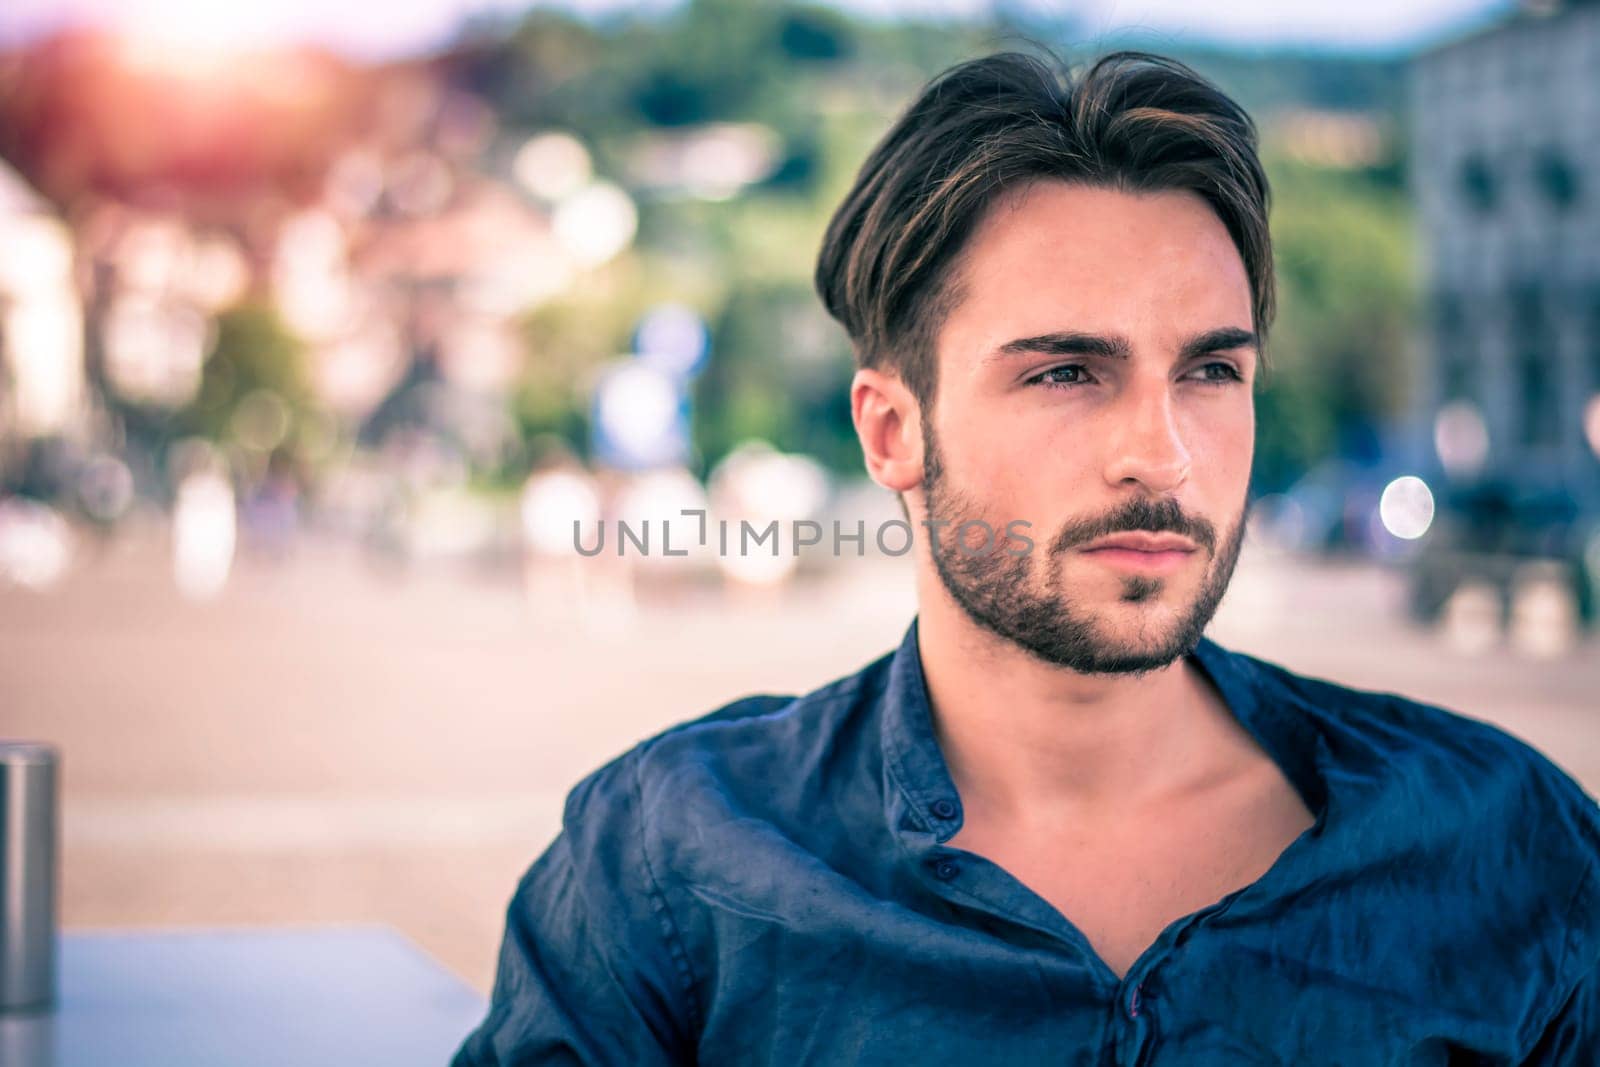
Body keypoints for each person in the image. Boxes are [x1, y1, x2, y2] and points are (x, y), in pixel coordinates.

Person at [452, 49, 1600, 1064]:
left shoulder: (1507, 846)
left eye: (1210, 371)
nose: (1159, 455)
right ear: (892, 430)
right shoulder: (677, 864)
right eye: (1064, 372)